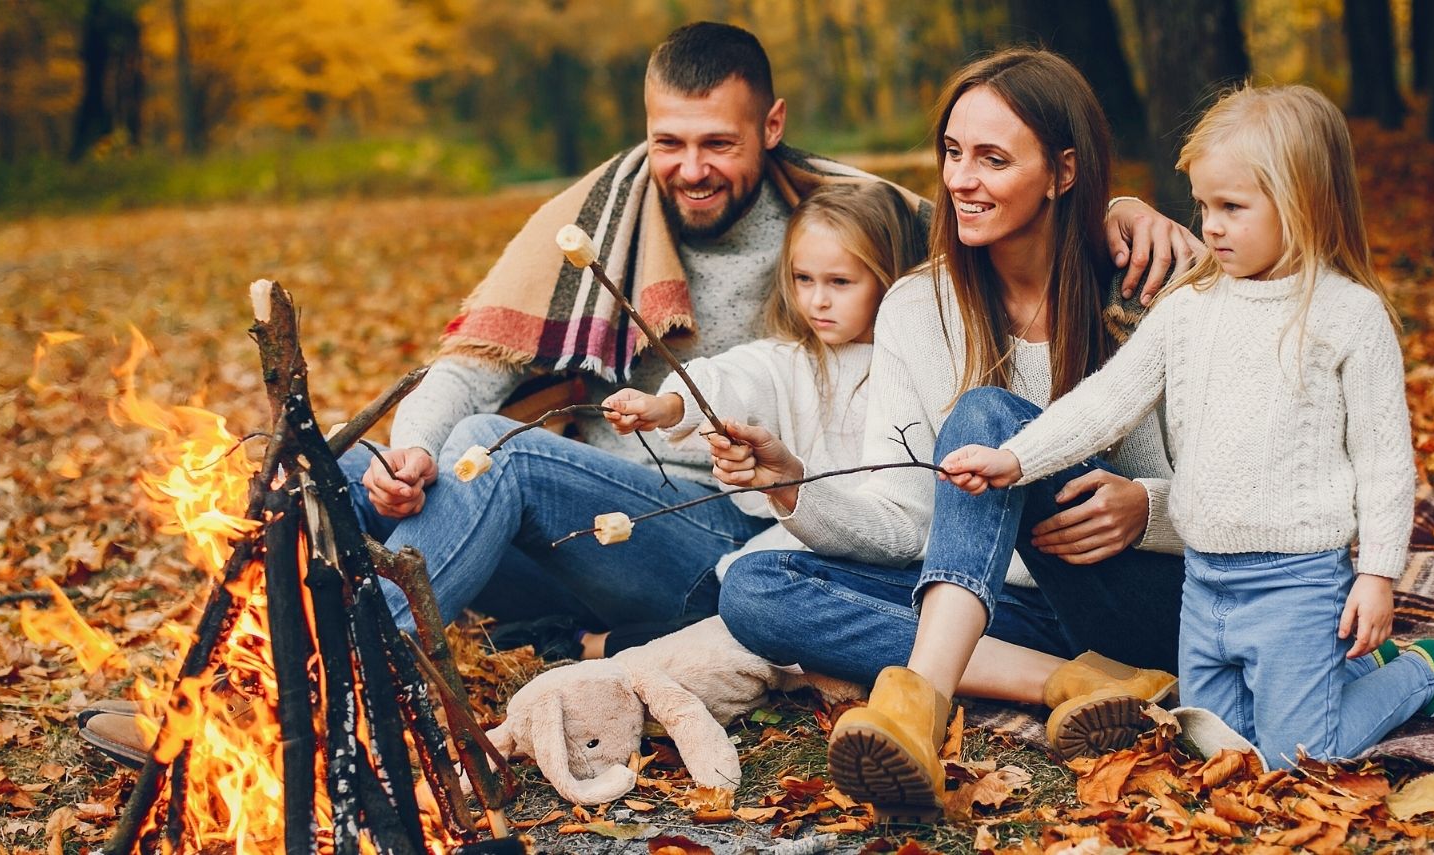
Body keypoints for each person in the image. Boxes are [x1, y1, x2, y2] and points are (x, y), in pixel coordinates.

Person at [348, 24, 1201, 654]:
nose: (690, 168)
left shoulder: (850, 216)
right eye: (668, 143)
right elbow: (469, 369)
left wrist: (1115, 216)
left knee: (498, 453)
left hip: (723, 521)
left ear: (773, 125)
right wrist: (407, 452)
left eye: (718, 142)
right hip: (619, 525)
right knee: (351, 468)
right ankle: (303, 666)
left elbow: (995, 220)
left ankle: (366, 672)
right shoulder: (593, 219)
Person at [708, 49, 1195, 821]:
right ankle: (1072, 682)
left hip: (1134, 592)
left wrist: (1148, 506)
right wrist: (792, 486)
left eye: (993, 159)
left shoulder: (1142, 285)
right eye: (953, 152)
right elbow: (908, 519)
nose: (960, 180)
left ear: (1063, 172)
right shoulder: (915, 308)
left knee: (985, 416)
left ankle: (921, 702)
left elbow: (1241, 488)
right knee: (756, 586)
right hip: (999, 607)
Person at [941, 85, 1434, 770]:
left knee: (1298, 755)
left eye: (1232, 208)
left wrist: (1377, 574)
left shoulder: (1347, 316)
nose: (1210, 226)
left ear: (1302, 204)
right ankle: (1332, 683)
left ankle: (1421, 672)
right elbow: (1106, 400)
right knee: (1209, 745)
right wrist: (1015, 460)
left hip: (1297, 582)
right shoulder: (1191, 306)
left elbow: (1384, 462)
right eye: (1202, 205)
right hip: (1206, 582)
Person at [603, 182, 926, 621]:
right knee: (740, 584)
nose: (818, 300)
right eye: (803, 279)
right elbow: (734, 377)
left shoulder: (917, 366)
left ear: (889, 276)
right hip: (795, 549)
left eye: (840, 282)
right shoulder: (791, 360)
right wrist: (670, 406)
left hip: (891, 561)